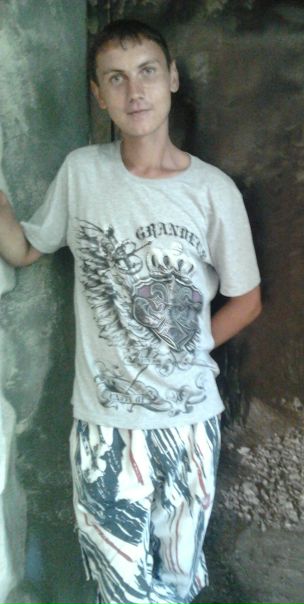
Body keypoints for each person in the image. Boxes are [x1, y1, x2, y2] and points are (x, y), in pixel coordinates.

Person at [0, 18, 261, 604]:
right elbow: (25, 249)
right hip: (105, 426)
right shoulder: (82, 172)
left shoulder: (213, 191)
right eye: (115, 78)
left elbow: (247, 300)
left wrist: (184, 345)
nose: (134, 91)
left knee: (178, 579)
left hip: (189, 422)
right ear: (99, 94)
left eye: (146, 72)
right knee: (120, 587)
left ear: (172, 78)